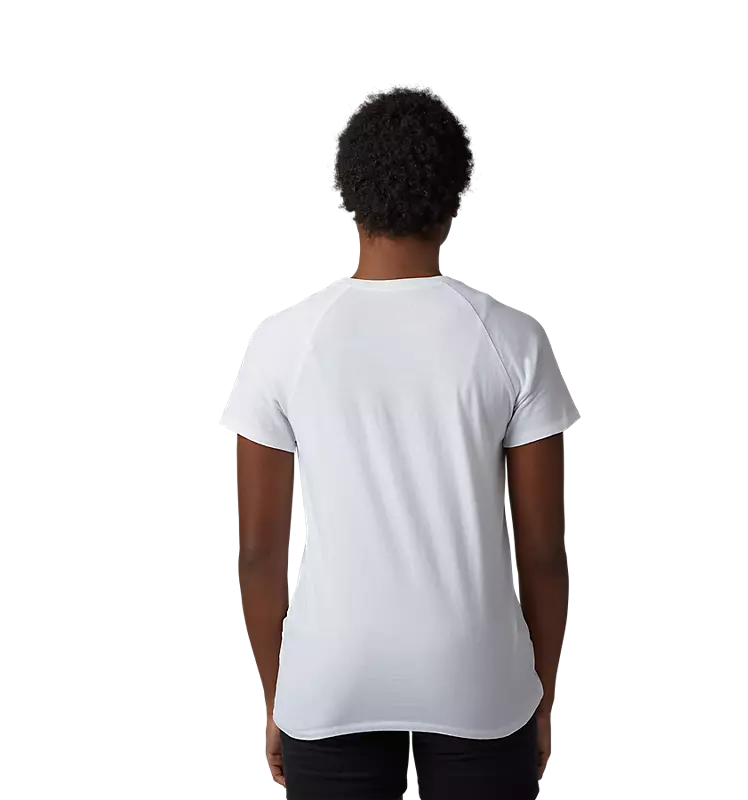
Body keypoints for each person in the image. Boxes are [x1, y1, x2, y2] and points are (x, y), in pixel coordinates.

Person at [218, 80, 581, 800]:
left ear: (348, 193)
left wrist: (277, 698)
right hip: (479, 676)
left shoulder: (282, 341)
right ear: (455, 195)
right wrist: (542, 694)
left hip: (331, 677)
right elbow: (543, 551)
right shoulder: (514, 339)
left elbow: (258, 555)